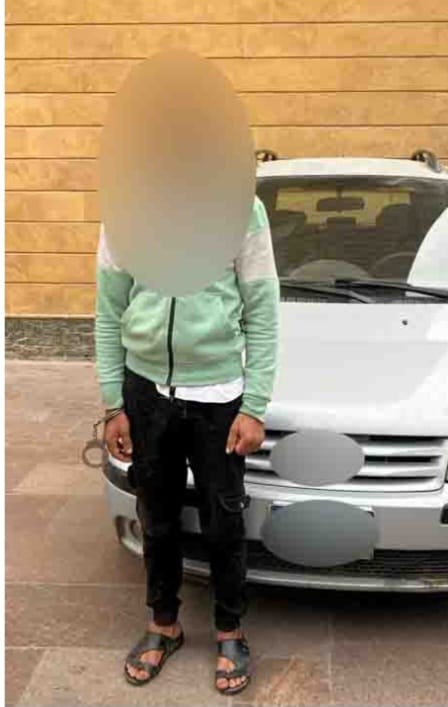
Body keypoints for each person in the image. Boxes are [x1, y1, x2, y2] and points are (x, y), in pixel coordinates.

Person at [94, 195, 279, 694]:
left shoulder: (240, 207)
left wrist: (254, 405)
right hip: (145, 393)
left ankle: (229, 630)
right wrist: (113, 403)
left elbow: (263, 309)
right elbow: (109, 311)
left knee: (224, 520)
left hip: (219, 397)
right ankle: (164, 623)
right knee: (156, 518)